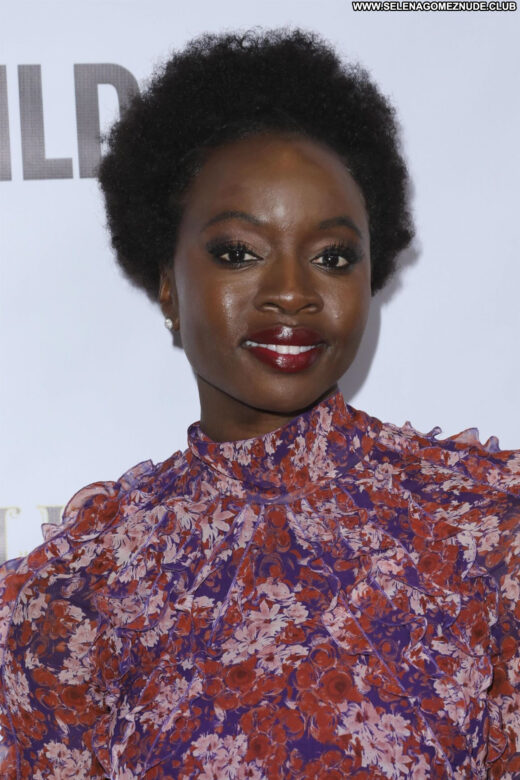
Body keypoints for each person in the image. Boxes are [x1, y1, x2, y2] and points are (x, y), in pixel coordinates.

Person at [0, 28, 518, 780]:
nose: (291, 292)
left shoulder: (489, 533)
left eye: (332, 256)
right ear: (168, 284)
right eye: (238, 252)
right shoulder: (75, 594)